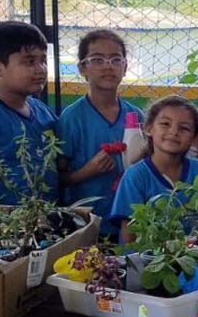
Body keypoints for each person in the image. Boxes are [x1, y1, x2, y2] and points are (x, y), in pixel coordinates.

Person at [109, 95, 198, 243]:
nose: (174, 132)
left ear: (195, 139)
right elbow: (129, 233)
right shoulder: (136, 176)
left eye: (184, 128)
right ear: (148, 129)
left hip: (197, 259)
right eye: (165, 124)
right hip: (150, 261)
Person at [57, 30, 143, 240]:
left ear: (125, 67)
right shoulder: (72, 118)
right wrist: (86, 172)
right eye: (97, 60)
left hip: (129, 221)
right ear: (82, 68)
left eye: (116, 59)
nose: (108, 66)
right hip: (86, 223)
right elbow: (58, 178)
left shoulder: (136, 116)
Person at [0, 21, 57, 204]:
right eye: (30, 61)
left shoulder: (44, 113)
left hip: (48, 224)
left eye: (43, 60)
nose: (41, 69)